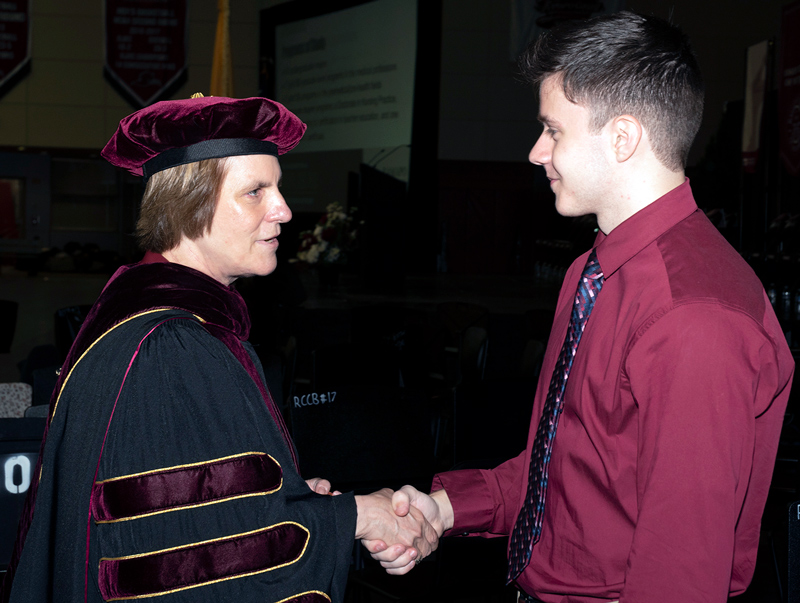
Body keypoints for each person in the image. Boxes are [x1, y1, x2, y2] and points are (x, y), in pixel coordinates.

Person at [368, 11, 795, 603]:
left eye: (553, 130)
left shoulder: (692, 316)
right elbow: (568, 467)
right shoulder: (594, 269)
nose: (536, 152)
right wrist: (442, 509)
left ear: (622, 137)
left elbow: (682, 572)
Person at [2, 94, 436, 603]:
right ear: (189, 206)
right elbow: (182, 561)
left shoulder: (153, 318)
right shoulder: (172, 348)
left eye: (278, 188)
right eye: (256, 192)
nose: (284, 210)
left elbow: (209, 508)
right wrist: (357, 515)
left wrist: (293, 500)